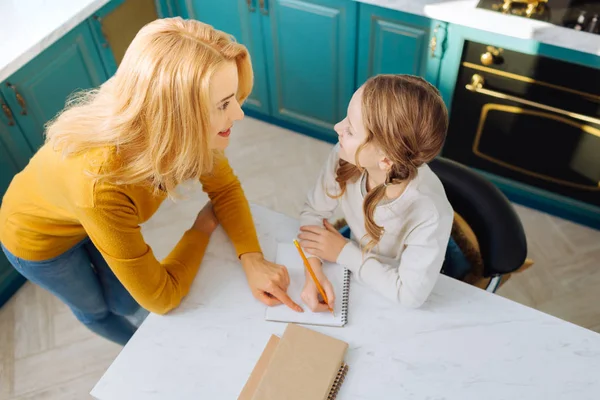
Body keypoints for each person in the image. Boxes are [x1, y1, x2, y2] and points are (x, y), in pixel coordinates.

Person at [0, 17, 302, 346]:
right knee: (95, 308)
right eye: (223, 105)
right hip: (35, 237)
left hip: (80, 210)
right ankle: (134, 348)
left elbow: (225, 189)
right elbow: (161, 297)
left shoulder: (157, 105)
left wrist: (253, 259)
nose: (239, 115)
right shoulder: (102, 188)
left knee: (124, 301)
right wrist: (201, 228)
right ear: (177, 117)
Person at [297, 74, 454, 311]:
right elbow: (313, 212)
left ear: (385, 160)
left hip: (395, 281)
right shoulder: (345, 156)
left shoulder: (431, 213)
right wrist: (313, 270)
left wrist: (343, 252)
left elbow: (409, 295)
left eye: (350, 129)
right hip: (360, 261)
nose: (337, 127)